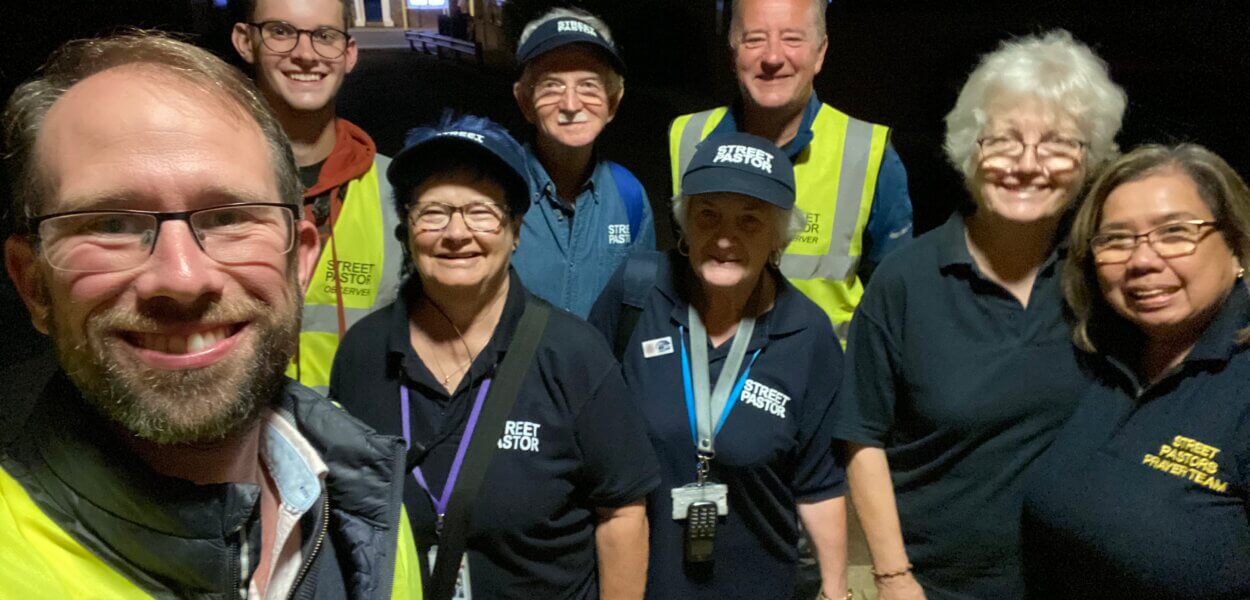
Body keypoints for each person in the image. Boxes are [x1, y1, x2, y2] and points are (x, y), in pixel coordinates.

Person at [0, 32, 420, 598]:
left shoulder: (373, 511)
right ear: (33, 284)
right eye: (110, 224)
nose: (183, 277)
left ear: (299, 259)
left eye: (228, 217)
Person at [830, 31, 1127, 599]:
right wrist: (893, 577)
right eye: (1004, 141)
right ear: (970, 151)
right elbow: (860, 438)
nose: (1028, 165)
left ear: (1089, 161)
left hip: (1076, 579)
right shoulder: (906, 280)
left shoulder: (1100, 277)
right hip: (934, 584)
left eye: (1059, 144)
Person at [330, 113, 659, 599]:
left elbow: (622, 512)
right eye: (434, 211)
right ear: (407, 226)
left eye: (481, 211)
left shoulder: (574, 355)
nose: (457, 233)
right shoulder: (362, 354)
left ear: (516, 230)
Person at [590, 132, 849, 600]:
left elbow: (820, 484)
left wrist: (835, 589)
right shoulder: (635, 295)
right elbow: (582, 433)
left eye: (750, 221)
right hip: (636, 582)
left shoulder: (807, 334)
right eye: (708, 215)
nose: (725, 238)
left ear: (778, 236)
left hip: (759, 582)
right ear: (685, 224)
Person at [1022, 144, 1250, 598]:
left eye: (1175, 232)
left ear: (1237, 246)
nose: (1142, 260)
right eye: (1116, 239)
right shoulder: (1103, 363)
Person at [668, 0, 913, 340]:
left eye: (792, 39)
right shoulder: (687, 139)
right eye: (754, 39)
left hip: (823, 383)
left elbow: (895, 306)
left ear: (820, 52)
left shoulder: (868, 154)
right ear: (732, 50)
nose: (772, 57)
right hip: (708, 378)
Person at [233, 0, 404, 394]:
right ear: (245, 41)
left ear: (348, 54)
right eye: (281, 31)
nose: (305, 54)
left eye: (325, 36)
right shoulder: (202, 185)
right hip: (233, 439)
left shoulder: (396, 188)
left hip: (358, 439)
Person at [510, 7, 656, 318]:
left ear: (613, 102)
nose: (571, 105)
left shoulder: (629, 196)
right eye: (551, 85)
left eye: (589, 84)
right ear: (525, 102)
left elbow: (639, 312)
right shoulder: (494, 190)